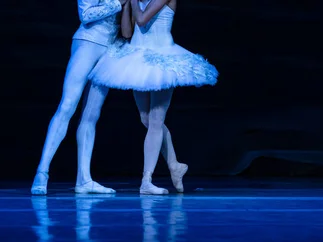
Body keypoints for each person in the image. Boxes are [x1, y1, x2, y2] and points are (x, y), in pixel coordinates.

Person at [88, 0, 218, 195]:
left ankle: (146, 180)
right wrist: (125, 8)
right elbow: (126, 33)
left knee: (156, 120)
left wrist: (131, 2)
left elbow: (142, 20)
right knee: (146, 119)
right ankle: (174, 165)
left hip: (163, 60)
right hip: (138, 59)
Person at [31, 0, 128, 195]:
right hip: (88, 42)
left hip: (112, 50)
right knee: (68, 105)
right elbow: (85, 15)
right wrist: (118, 3)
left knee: (91, 115)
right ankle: (42, 171)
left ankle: (84, 179)